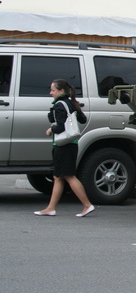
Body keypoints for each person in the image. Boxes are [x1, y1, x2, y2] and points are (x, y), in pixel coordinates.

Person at [34, 79, 93, 217]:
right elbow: (82, 119)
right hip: (71, 144)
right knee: (58, 176)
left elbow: (60, 126)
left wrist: (51, 129)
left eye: (53, 90)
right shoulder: (71, 103)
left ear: (61, 91)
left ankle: (87, 205)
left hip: (62, 145)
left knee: (69, 176)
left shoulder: (60, 105)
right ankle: (51, 208)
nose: (50, 93)